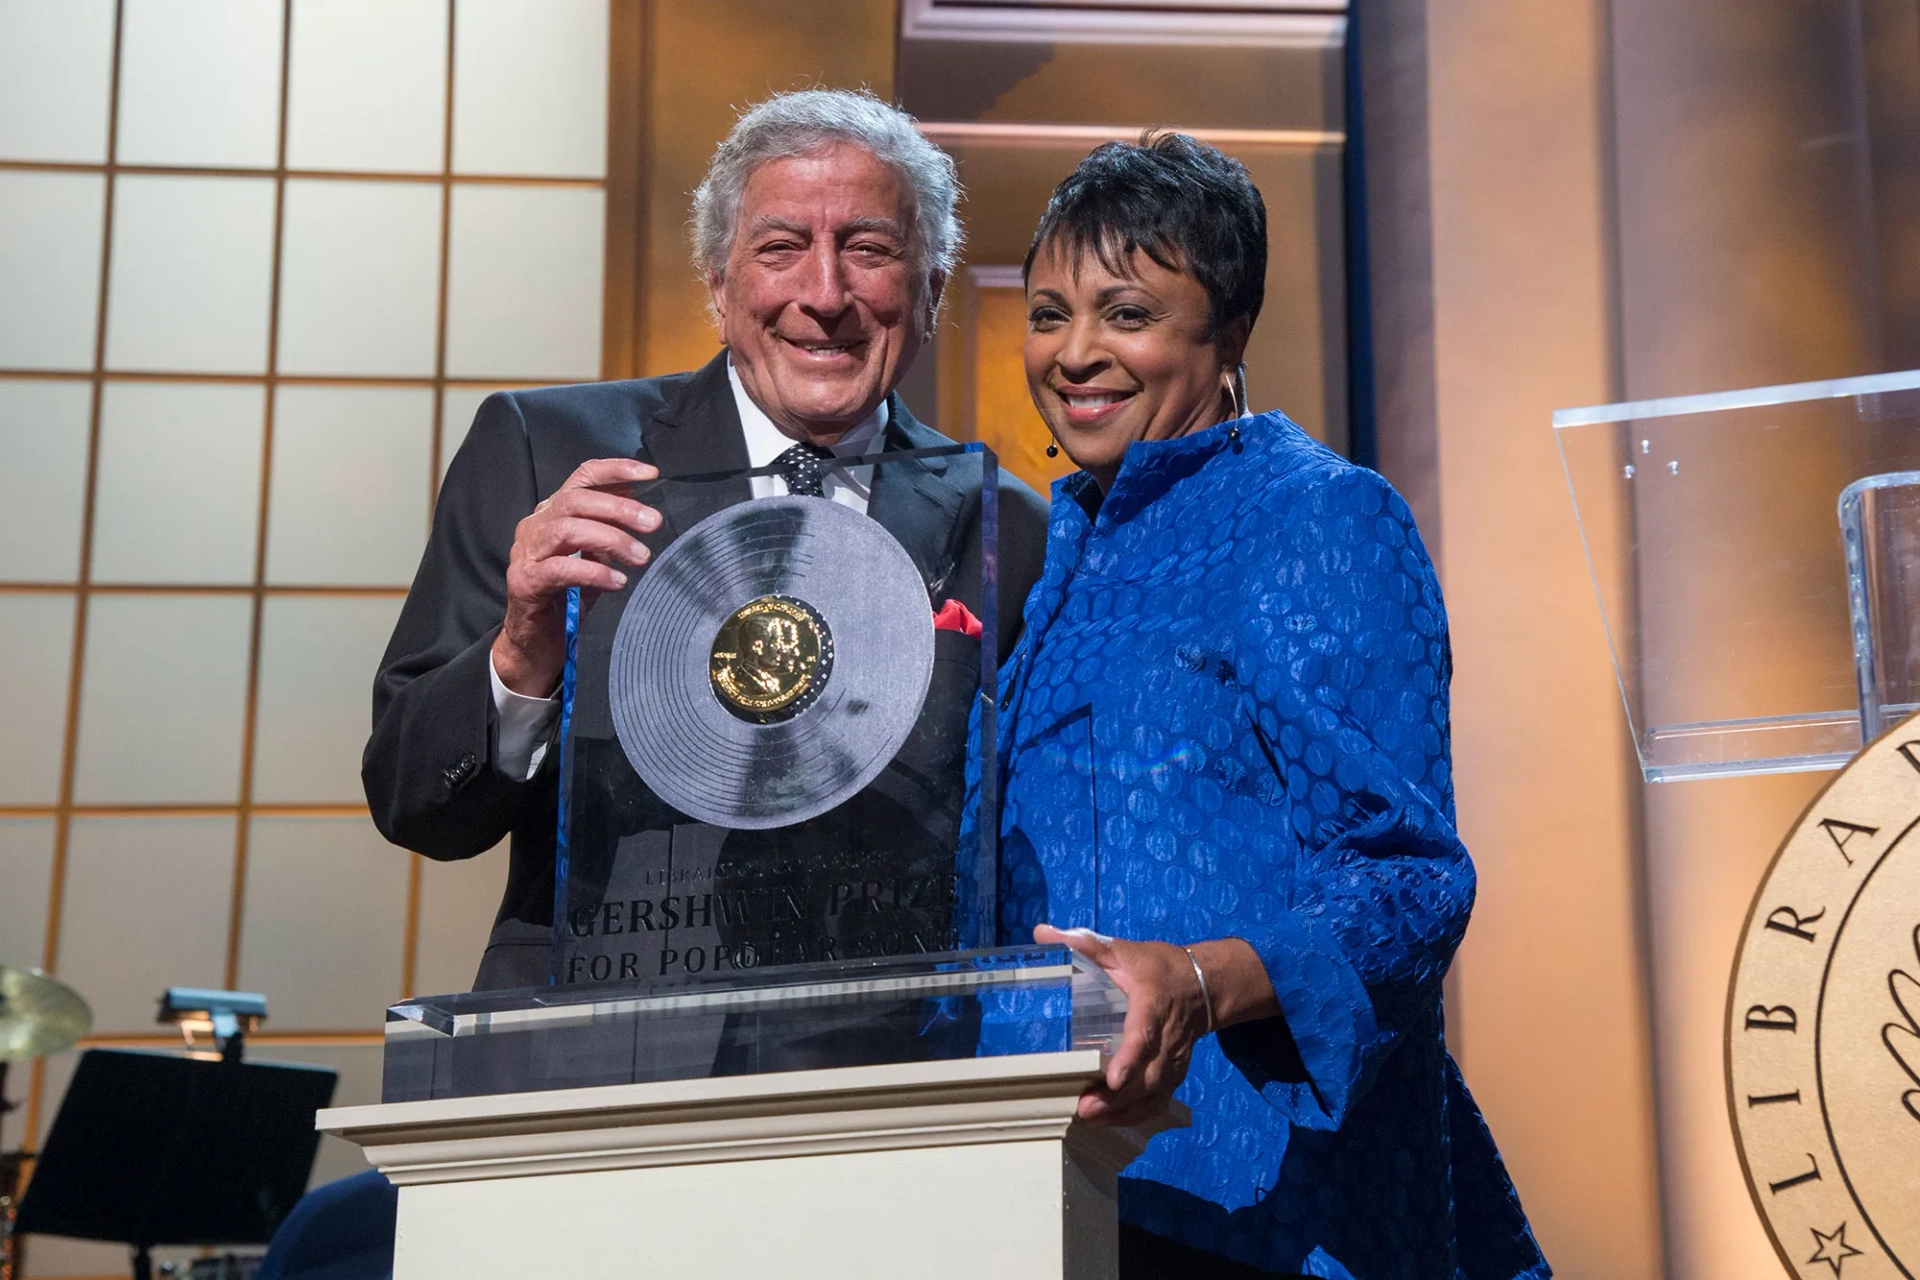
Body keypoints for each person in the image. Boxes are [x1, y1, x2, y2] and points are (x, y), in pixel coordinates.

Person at [993, 133, 1548, 1279]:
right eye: (1050, 314)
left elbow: (1408, 879)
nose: (1076, 352)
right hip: (1055, 1193)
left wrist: (1196, 981)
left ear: (1229, 328)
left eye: (1127, 312)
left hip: (1257, 1203)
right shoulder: (1068, 547)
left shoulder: (1320, 516)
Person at [365, 89, 1048, 991]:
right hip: (595, 1043)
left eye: (869, 250)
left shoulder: (1011, 528)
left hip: (883, 1059)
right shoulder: (549, 452)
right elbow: (418, 809)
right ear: (718, 285)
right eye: (780, 248)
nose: (825, 294)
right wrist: (522, 648)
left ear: (929, 290)